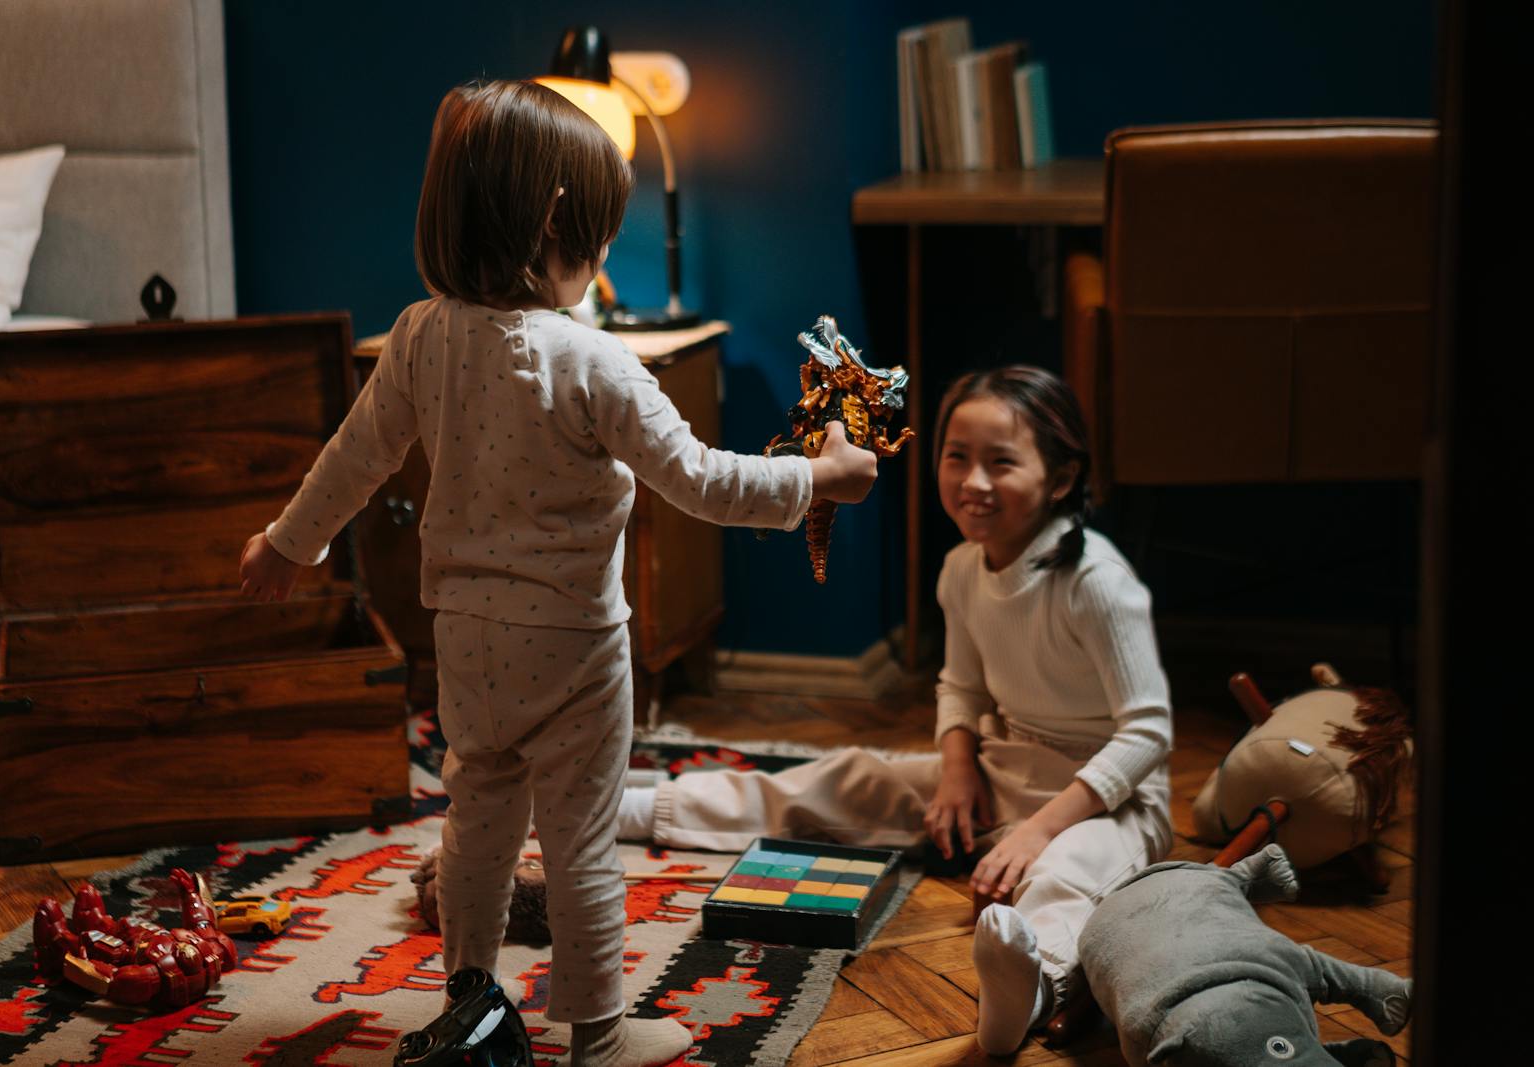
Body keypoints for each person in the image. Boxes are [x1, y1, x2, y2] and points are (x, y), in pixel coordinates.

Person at [237, 79, 878, 1067]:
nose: (607, 258)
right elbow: (704, 481)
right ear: (552, 225)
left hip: (464, 637)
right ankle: (598, 1033)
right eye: (601, 236)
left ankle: (466, 1005)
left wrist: (288, 543)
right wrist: (819, 475)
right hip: (576, 645)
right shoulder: (595, 363)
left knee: (477, 823)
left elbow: (353, 456)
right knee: (578, 842)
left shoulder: (417, 335)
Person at [611, 365, 1173, 1054]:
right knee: (846, 776)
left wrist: (1038, 831)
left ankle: (1027, 984)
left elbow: (1148, 732)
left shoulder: (1098, 583)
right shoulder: (963, 568)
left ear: (1060, 478)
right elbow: (960, 687)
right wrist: (959, 769)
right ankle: (646, 808)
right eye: (957, 457)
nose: (974, 482)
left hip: (1110, 802)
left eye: (1002, 462)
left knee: (1068, 872)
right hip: (1006, 765)